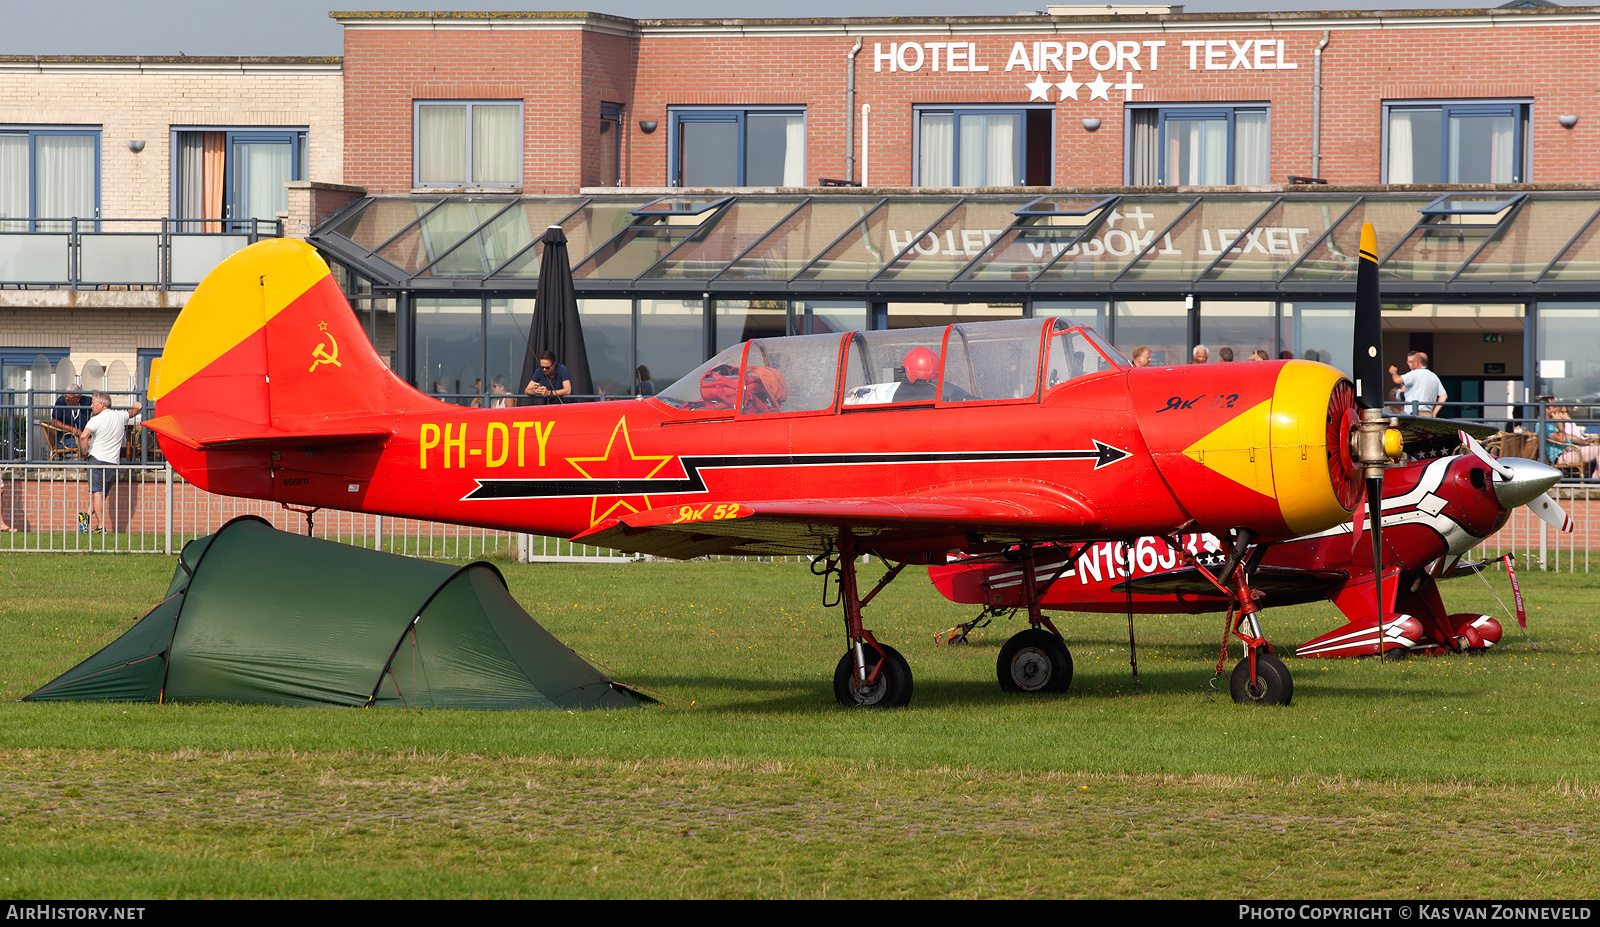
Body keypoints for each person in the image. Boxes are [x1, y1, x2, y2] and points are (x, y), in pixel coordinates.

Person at [80, 391, 142, 533]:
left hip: (96, 459)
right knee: (102, 493)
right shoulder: (120, 416)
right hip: (113, 462)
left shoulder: (96, 419)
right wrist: (137, 407)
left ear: (101, 404)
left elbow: (83, 436)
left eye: (93, 403)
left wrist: (84, 453)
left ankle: (101, 526)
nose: (91, 406)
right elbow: (132, 413)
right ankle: (87, 516)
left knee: (97, 493)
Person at [1544, 401, 1600, 476]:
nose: (1554, 411)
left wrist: (1589, 444)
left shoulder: (1554, 424)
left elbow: (1571, 436)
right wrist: (1559, 422)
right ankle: (1596, 478)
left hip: (1571, 452)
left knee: (1597, 448)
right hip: (1561, 456)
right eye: (1560, 412)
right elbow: (1562, 439)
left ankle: (1596, 477)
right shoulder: (1544, 425)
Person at [1388, 351, 1446, 417]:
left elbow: (1397, 380)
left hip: (1415, 414)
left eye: (1412, 361)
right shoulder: (1434, 376)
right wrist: (1434, 413)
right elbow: (1443, 395)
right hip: (1429, 414)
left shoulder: (1415, 374)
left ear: (1417, 362)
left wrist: (1393, 372)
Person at [51, 383, 92, 451]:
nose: (66, 399)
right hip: (67, 437)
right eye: (66, 396)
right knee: (84, 445)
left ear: (78, 398)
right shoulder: (61, 401)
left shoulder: (87, 402)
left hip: (85, 436)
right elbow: (54, 422)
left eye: (69, 398)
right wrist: (72, 429)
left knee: (96, 444)